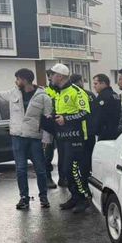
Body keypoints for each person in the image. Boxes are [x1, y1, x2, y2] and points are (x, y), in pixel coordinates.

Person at [0, 68, 53, 210]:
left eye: (18, 79)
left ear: (25, 80)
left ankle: (43, 197)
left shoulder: (43, 96)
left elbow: (48, 118)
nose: (16, 82)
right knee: (20, 169)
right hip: (18, 137)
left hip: (35, 137)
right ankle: (24, 198)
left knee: (40, 169)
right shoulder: (13, 93)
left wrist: (47, 139)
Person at [47, 63, 93, 214]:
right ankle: (75, 197)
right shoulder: (59, 92)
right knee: (65, 171)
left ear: (60, 76)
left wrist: (66, 119)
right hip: (63, 137)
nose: (50, 77)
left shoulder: (76, 91)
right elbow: (62, 112)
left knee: (72, 169)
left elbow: (85, 112)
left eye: (52, 74)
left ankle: (84, 198)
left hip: (76, 137)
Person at [43, 69, 62, 189]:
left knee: (63, 152)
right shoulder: (45, 91)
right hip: (48, 126)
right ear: (49, 77)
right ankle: (47, 177)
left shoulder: (63, 89)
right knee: (48, 153)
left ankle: (63, 177)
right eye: (52, 75)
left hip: (62, 125)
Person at [92, 74, 122, 141]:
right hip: (117, 132)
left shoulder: (102, 97)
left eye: (96, 84)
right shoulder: (115, 95)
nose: (94, 86)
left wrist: (95, 131)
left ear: (103, 83)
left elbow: (98, 116)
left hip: (105, 134)